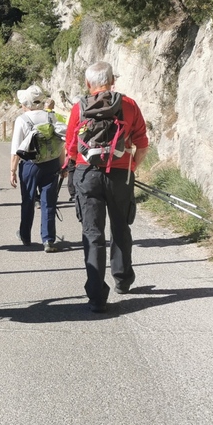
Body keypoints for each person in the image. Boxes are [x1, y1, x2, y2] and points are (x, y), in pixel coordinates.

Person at [65, 61, 149, 313]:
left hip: (87, 173)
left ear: (88, 83)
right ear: (113, 81)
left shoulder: (79, 107)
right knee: (121, 226)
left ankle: (96, 296)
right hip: (120, 174)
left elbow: (70, 147)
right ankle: (122, 279)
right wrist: (131, 168)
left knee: (93, 233)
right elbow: (142, 144)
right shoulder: (129, 105)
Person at [10, 84, 65, 252]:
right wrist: (62, 166)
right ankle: (48, 240)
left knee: (28, 200)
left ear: (26, 103)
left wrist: (12, 171)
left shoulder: (22, 119)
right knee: (48, 202)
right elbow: (60, 143)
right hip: (52, 163)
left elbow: (16, 149)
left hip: (30, 165)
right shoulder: (52, 117)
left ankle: (25, 235)